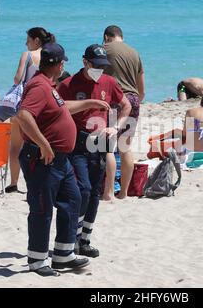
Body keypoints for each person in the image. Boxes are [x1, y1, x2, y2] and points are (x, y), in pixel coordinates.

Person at [17, 42, 111, 277]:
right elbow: (24, 114)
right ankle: (37, 261)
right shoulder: (39, 86)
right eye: (62, 62)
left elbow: (61, 108)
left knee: (73, 198)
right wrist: (43, 143)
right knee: (42, 209)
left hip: (61, 160)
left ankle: (63, 255)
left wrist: (90, 103)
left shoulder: (49, 85)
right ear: (59, 64)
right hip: (43, 158)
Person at [58, 44, 131, 258]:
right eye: (96, 65)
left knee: (94, 193)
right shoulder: (68, 84)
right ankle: (73, 237)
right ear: (85, 62)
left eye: (103, 66)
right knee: (83, 189)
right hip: (77, 142)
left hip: (100, 141)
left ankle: (85, 240)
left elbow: (126, 105)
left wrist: (116, 126)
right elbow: (57, 107)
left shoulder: (109, 82)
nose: (100, 70)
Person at [6, 27, 56, 194]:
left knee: (15, 147)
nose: (26, 43)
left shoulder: (27, 55)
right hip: (44, 106)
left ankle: (13, 183)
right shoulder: (51, 55)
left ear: (36, 40)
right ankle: (39, 181)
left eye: (28, 40)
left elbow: (17, 78)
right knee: (40, 144)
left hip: (25, 104)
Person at [102, 25, 144, 201]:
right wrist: (137, 100)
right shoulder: (134, 52)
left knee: (107, 147)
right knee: (125, 146)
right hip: (133, 99)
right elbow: (141, 85)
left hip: (115, 98)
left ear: (106, 36)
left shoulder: (103, 50)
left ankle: (109, 191)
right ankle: (124, 192)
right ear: (121, 36)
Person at [147, 93, 203, 159]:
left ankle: (157, 142)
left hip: (190, 152)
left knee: (182, 135)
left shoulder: (190, 112)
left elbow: (185, 134)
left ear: (201, 103)